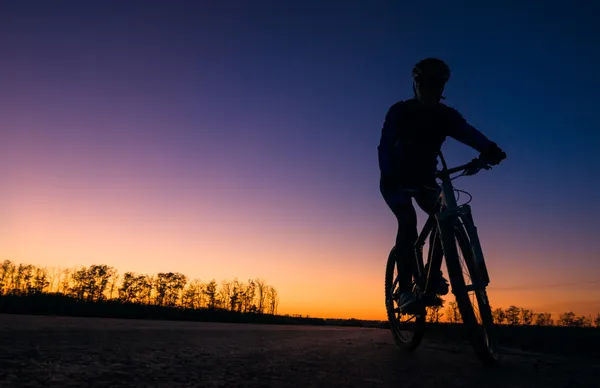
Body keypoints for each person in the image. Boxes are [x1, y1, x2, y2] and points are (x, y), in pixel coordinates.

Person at [378, 58, 506, 310]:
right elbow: (384, 146)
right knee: (408, 221)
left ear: (442, 87)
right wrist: (389, 173)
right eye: (423, 83)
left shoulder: (445, 116)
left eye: (435, 84)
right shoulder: (400, 111)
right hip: (395, 180)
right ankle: (404, 290)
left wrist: (490, 150)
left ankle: (432, 274)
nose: (429, 89)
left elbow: (469, 133)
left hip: (425, 179)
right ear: (415, 85)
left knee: (443, 217)